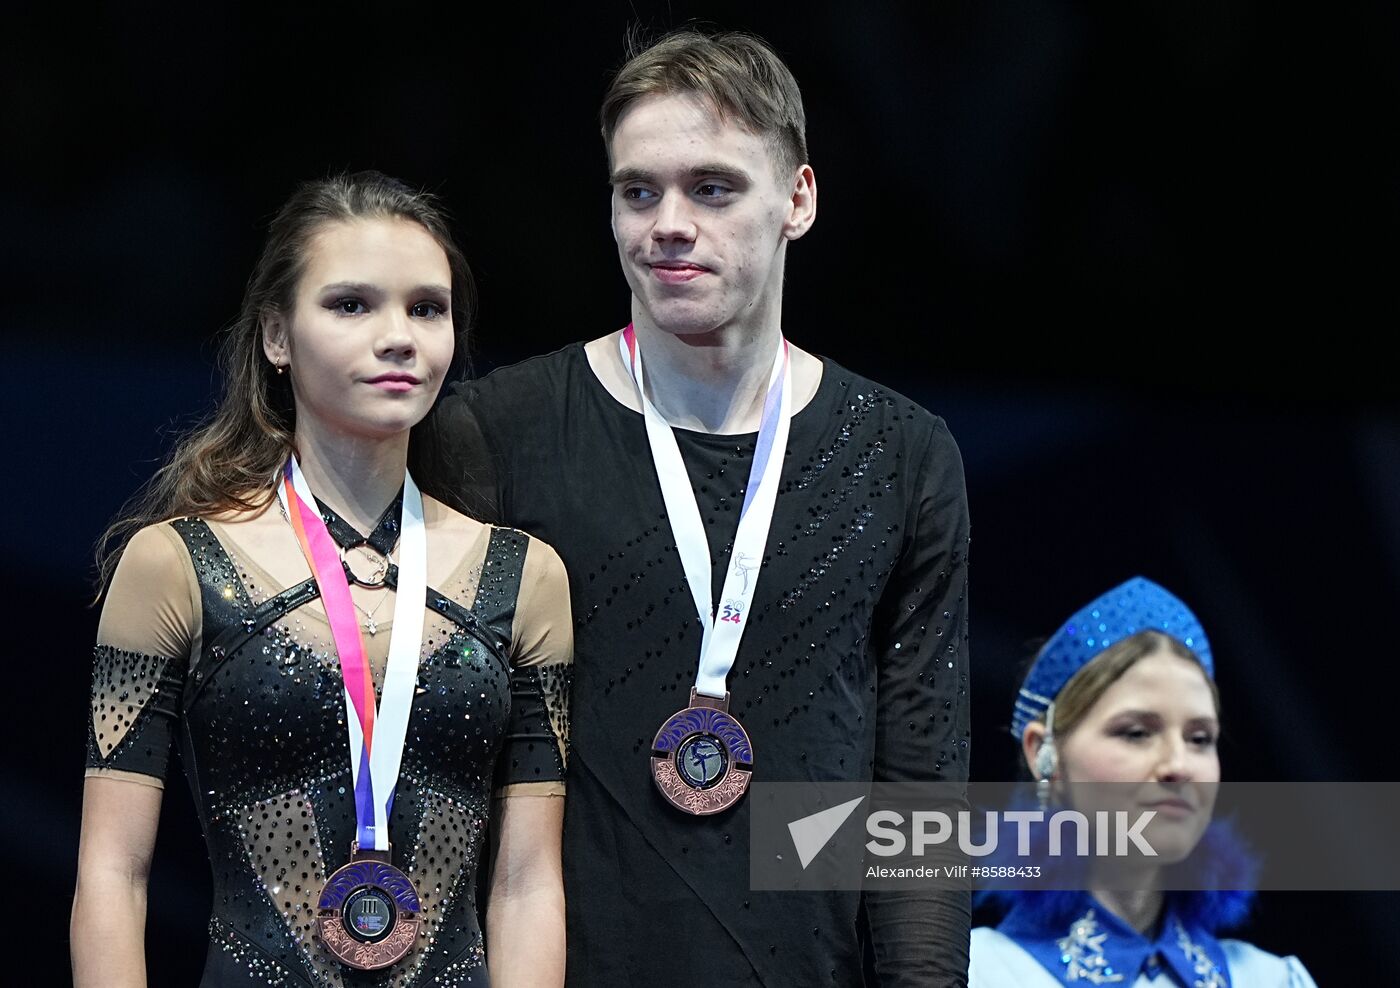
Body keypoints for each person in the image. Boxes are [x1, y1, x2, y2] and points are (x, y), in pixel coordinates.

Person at [425, 29, 971, 987]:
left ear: (798, 199)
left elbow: (920, 796)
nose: (667, 223)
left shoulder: (903, 458)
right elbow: (435, 769)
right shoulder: (493, 435)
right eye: (638, 191)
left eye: (712, 188)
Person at [71, 171, 571, 987]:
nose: (398, 336)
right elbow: (111, 876)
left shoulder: (522, 577)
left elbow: (525, 885)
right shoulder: (176, 566)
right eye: (350, 305)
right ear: (276, 334)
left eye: (426, 307)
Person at [969, 577, 1316, 986]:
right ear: (1044, 753)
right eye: (1135, 732)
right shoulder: (976, 973)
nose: (1178, 764)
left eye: (1200, 738)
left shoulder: (1268, 980)